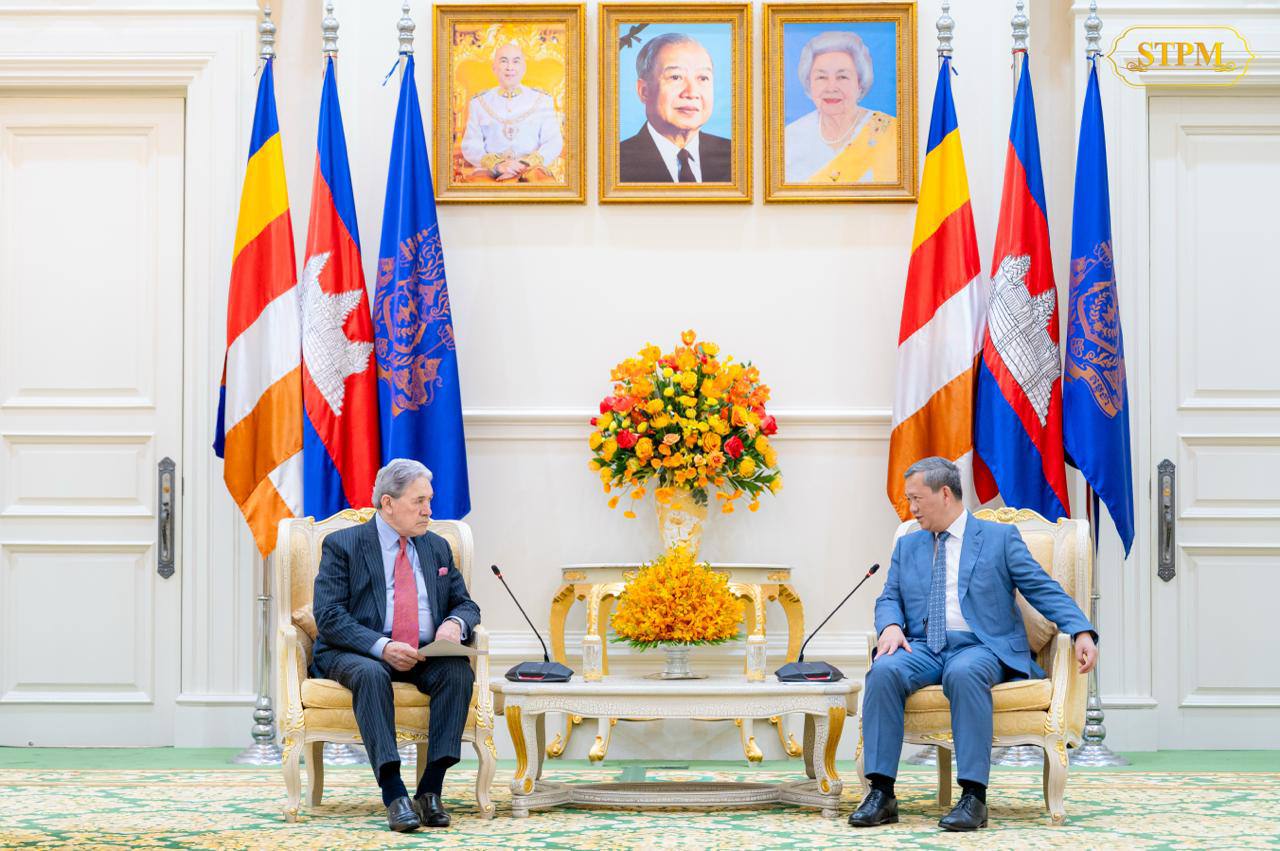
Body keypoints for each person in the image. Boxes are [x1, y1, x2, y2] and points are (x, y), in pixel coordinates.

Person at [850, 456, 1098, 832]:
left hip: (981, 645)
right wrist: (890, 626)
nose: (911, 507)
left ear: (944, 493)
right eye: (909, 499)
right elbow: (889, 597)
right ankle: (882, 793)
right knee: (883, 670)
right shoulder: (908, 545)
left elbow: (1042, 589)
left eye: (916, 498)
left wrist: (1081, 631)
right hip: (923, 647)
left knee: (964, 672)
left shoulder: (999, 539)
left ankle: (973, 797)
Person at [311, 458, 480, 832]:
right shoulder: (343, 545)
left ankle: (430, 790)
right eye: (419, 501)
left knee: (456, 672)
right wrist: (382, 646)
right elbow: (329, 616)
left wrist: (453, 625)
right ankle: (394, 794)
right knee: (371, 674)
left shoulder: (436, 547)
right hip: (357, 651)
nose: (428, 510)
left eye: (429, 500)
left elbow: (466, 605)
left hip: (422, 651)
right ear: (387, 503)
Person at [783, 31, 897, 184]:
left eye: (842, 77)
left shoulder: (891, 133)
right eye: (821, 77)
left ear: (860, 83)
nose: (831, 88)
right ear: (809, 84)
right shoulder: (790, 138)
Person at [619, 32, 731, 183]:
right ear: (644, 91)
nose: (691, 93)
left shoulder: (738, 157)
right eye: (675, 77)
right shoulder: (614, 164)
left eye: (703, 78)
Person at [458, 41, 563, 183]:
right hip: (490, 172)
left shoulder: (542, 99)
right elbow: (470, 145)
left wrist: (523, 165)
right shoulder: (478, 102)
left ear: (524, 68)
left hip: (532, 171)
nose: (509, 67)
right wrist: (498, 165)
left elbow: (553, 142)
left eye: (516, 61)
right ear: (494, 68)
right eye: (503, 61)